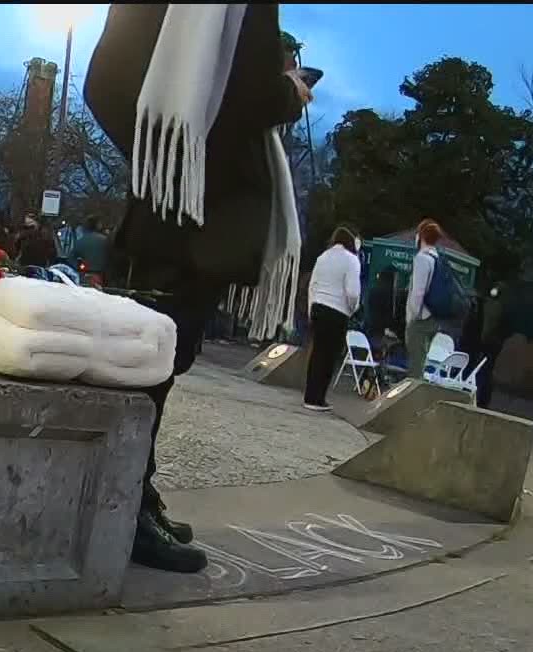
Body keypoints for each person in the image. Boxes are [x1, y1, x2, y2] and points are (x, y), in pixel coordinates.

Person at [87, 2, 310, 574]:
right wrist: (289, 91)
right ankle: (124, 504)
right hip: (204, 210)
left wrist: (159, 157)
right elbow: (252, 93)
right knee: (159, 361)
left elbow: (103, 85)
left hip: (165, 203)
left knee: (151, 359)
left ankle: (135, 494)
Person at [302, 226, 361, 411]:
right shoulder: (352, 260)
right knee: (330, 356)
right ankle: (319, 398)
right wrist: (352, 309)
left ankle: (309, 395)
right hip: (337, 311)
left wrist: (311, 308)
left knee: (317, 353)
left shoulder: (323, 257)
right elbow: (352, 292)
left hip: (318, 307)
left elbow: (313, 285)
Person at [403, 218, 449, 378]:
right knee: (421, 361)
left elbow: (418, 292)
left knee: (415, 366)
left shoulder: (422, 259)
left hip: (421, 319)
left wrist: (412, 317)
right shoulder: (438, 259)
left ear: (421, 236)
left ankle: (413, 401)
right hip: (434, 318)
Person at [74, 215, 111, 283]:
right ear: (98, 226)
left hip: (83, 274)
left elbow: (72, 258)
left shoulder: (80, 241)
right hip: (100, 275)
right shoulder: (106, 240)